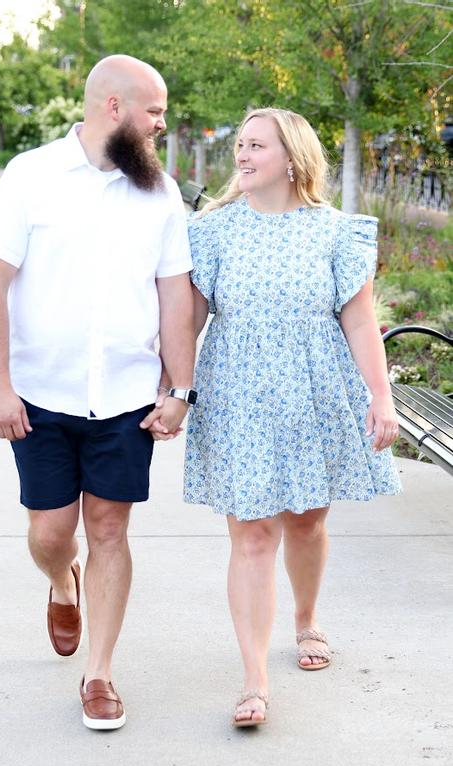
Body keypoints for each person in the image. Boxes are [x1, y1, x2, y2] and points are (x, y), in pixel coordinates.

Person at [0, 54, 196, 731]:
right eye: (154, 110)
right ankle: (59, 580)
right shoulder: (30, 177)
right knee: (50, 531)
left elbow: (174, 295)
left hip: (125, 398)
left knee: (108, 529)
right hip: (39, 395)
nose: (162, 122)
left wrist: (179, 387)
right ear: (114, 108)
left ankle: (99, 674)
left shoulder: (159, 191)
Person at [183, 108, 402, 726]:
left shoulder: (336, 232)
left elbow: (359, 321)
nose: (242, 155)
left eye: (256, 145)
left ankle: (306, 621)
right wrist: (173, 386)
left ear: (292, 157)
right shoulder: (214, 230)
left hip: (315, 389)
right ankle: (254, 680)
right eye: (240, 145)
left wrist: (379, 397)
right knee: (252, 534)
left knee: (305, 523)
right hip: (239, 390)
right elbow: (191, 319)